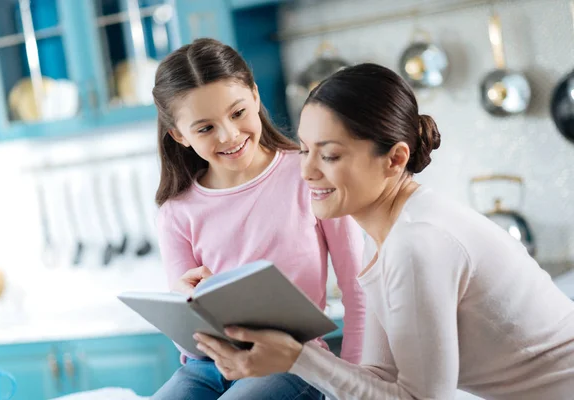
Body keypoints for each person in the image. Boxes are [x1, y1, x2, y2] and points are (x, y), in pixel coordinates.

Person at [195, 63, 574, 400]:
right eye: (305, 150)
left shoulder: (415, 244)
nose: (307, 171)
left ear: (395, 159)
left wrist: (297, 357)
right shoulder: (387, 236)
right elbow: (379, 378)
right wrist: (287, 351)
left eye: (329, 155)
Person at [151, 38, 366, 400]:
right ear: (179, 135)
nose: (230, 135)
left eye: (237, 113)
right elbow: (186, 339)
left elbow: (358, 289)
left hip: (293, 361)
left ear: (255, 95)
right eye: (205, 128)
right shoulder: (176, 211)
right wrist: (181, 298)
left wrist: (352, 383)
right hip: (208, 366)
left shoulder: (310, 175)